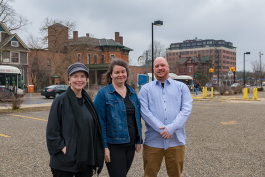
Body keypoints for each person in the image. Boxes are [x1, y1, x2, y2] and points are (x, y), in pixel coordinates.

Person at [46, 62, 104, 177]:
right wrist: (63, 148)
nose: (79, 80)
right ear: (69, 79)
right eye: (75, 76)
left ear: (86, 79)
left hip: (85, 160)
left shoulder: (89, 103)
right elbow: (52, 129)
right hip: (64, 161)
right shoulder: (61, 100)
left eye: (82, 76)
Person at [139, 57, 193, 177]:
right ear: (153, 69)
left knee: (175, 174)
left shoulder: (182, 88)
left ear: (168, 67)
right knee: (149, 174)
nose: (160, 68)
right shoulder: (145, 89)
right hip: (153, 141)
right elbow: (145, 112)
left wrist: (171, 128)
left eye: (162, 65)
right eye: (157, 66)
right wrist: (162, 130)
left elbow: (186, 110)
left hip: (176, 141)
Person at [94, 59, 142, 177]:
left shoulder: (132, 93)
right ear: (111, 75)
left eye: (123, 72)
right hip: (113, 145)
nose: (120, 75)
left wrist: (138, 140)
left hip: (130, 144)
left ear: (127, 74)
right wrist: (104, 147)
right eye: (117, 72)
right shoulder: (103, 94)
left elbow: (136, 118)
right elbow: (100, 123)